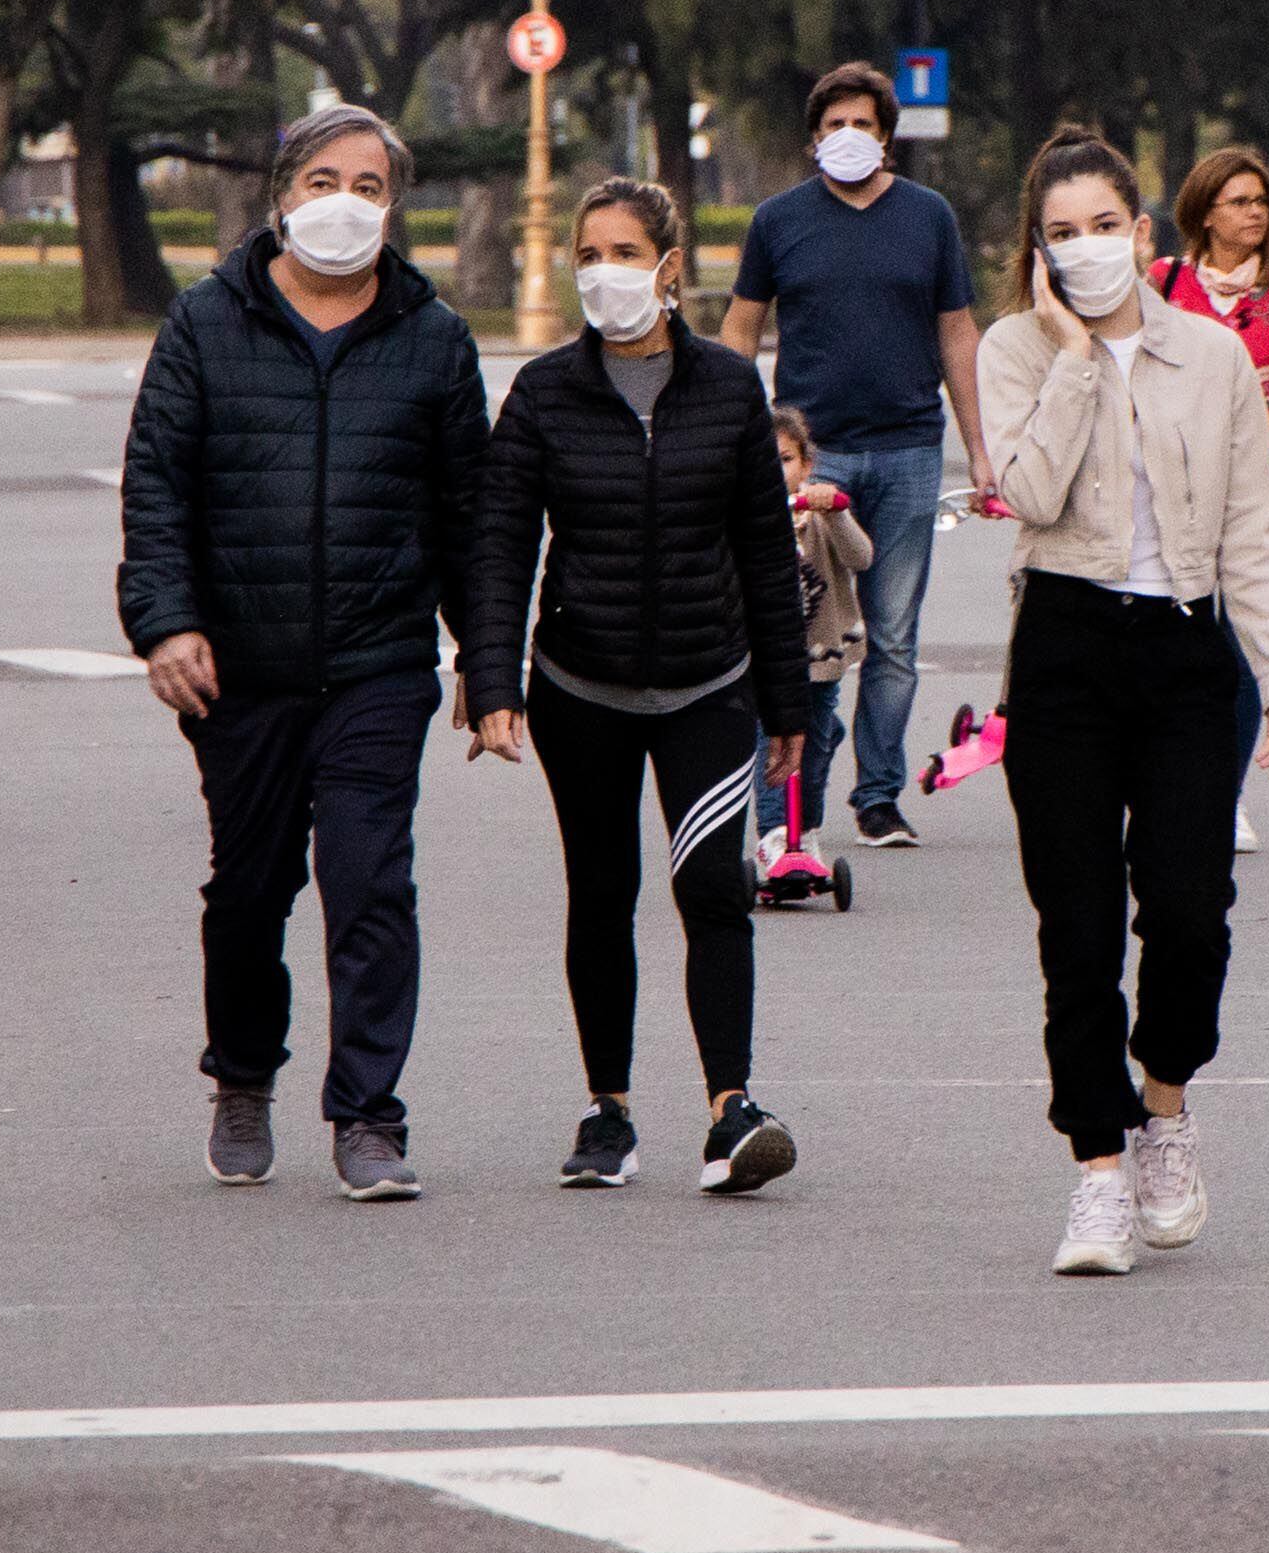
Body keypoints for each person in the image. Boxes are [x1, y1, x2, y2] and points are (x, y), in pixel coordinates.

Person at [117, 104, 489, 1203]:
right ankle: (242, 1073)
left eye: (369, 186)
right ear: (280, 193)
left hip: (377, 666)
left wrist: (488, 661)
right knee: (249, 891)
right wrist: (165, 621)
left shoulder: (433, 338)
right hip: (238, 668)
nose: (345, 204)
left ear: (393, 206)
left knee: (371, 883)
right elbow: (156, 485)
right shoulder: (203, 322)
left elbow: (471, 517)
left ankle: (369, 1114)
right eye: (324, 179)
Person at [977, 126, 1269, 1278]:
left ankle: (1163, 1103)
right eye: (1059, 234)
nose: (1085, 249)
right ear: (1038, 250)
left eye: (1101, 227)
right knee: (1072, 926)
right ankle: (1098, 1172)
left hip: (1182, 650)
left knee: (1187, 906)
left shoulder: (1210, 355)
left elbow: (1251, 533)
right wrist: (1075, 355)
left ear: (1141, 230)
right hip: (1066, 646)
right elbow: (1021, 488)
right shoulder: (1015, 351)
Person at [466, 177, 812, 1196]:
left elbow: (764, 548)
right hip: (583, 685)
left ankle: (730, 1108)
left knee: (714, 886)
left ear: (669, 268)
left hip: (711, 682)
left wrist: (787, 701)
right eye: (586, 254)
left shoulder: (727, 387)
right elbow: (500, 545)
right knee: (602, 891)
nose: (601, 273)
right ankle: (607, 1108)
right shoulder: (542, 393)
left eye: (623, 252)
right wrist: (492, 679)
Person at [720, 62, 991, 851]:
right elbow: (741, 327)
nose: (848, 137)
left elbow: (957, 332)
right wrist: (740, 433)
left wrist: (980, 450)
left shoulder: (928, 217)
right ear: (813, 139)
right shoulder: (779, 221)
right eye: (833, 124)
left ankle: (879, 797)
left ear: (886, 138)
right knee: (815, 636)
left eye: (863, 124)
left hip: (909, 448)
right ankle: (796, 791)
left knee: (895, 639)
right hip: (815, 460)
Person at [1157, 145, 1269, 857]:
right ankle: (1161, 782)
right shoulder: (1165, 283)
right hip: (1175, 491)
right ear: (1205, 211)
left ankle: (1222, 796)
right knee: (1179, 647)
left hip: (1267, 498)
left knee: (1236, 649)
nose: (1255, 212)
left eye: (1262, 201)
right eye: (1239, 201)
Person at [752, 405, 869, 874]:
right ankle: (776, 837)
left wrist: (836, 511)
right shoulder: (746, 517)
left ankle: (807, 831)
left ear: (806, 465)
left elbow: (861, 558)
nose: (775, 470)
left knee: (816, 744)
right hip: (765, 661)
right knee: (774, 743)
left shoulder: (820, 515)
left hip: (820, 658)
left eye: (784, 460)